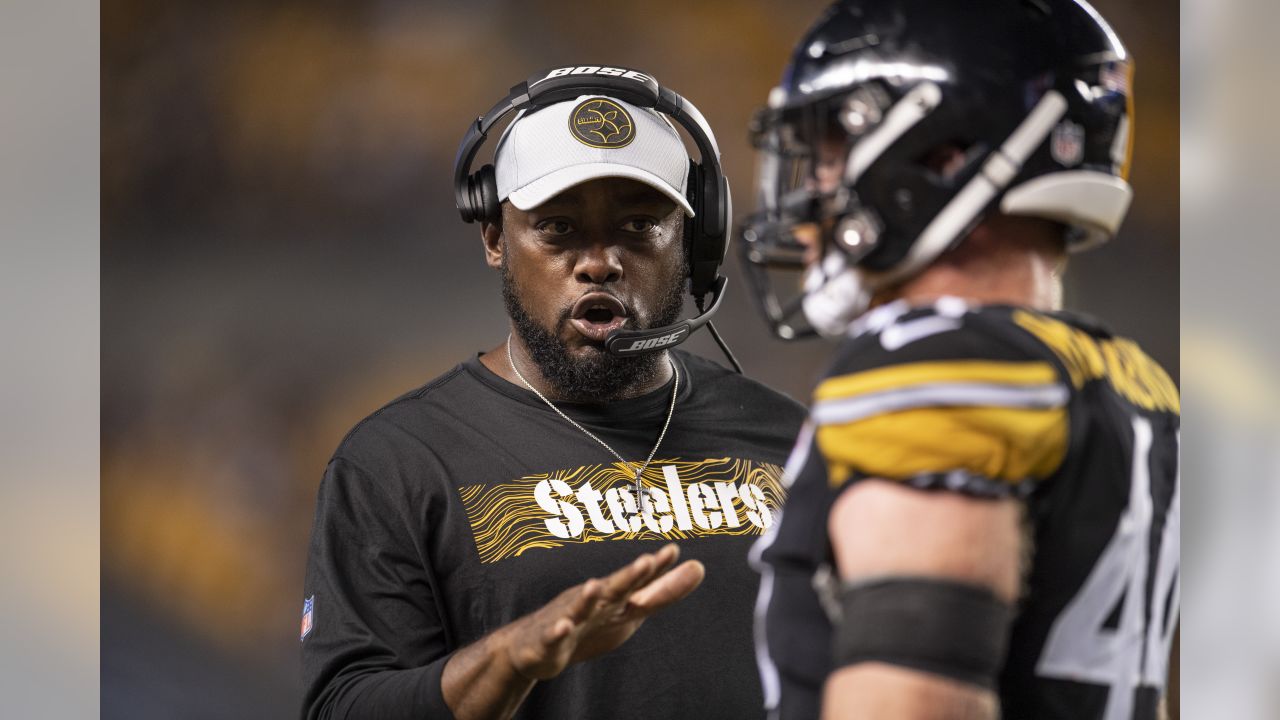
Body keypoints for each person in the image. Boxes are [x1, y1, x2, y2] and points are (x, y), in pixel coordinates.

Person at [301, 66, 807, 720]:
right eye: (559, 228)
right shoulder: (397, 464)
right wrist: (506, 659)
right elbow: (344, 708)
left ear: (694, 242)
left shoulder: (788, 438)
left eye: (639, 225)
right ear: (494, 238)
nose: (599, 262)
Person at [739, 2, 1180, 718]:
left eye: (828, 154)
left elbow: (914, 701)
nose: (812, 194)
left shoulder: (938, 367)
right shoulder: (1124, 375)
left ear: (942, 152)